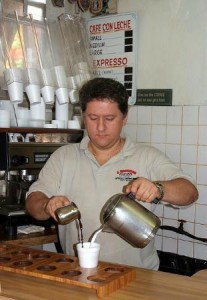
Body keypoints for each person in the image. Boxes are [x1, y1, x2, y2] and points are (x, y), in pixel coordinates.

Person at [26, 77, 198, 270]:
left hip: (137, 278)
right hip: (77, 274)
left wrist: (159, 189)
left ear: (125, 117)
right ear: (83, 116)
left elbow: (189, 193)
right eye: (92, 118)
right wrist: (47, 204)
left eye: (109, 119)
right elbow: (34, 201)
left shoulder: (146, 156)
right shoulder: (64, 157)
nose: (100, 127)